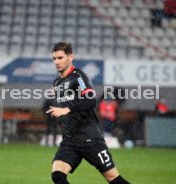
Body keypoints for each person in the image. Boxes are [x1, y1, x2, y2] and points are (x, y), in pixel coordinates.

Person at [46, 42, 130, 184]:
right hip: (70, 140)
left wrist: (67, 109)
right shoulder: (57, 82)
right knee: (58, 176)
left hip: (89, 138)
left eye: (60, 58)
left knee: (113, 178)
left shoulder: (79, 77)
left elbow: (91, 101)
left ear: (70, 57)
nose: (56, 62)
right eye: (54, 58)